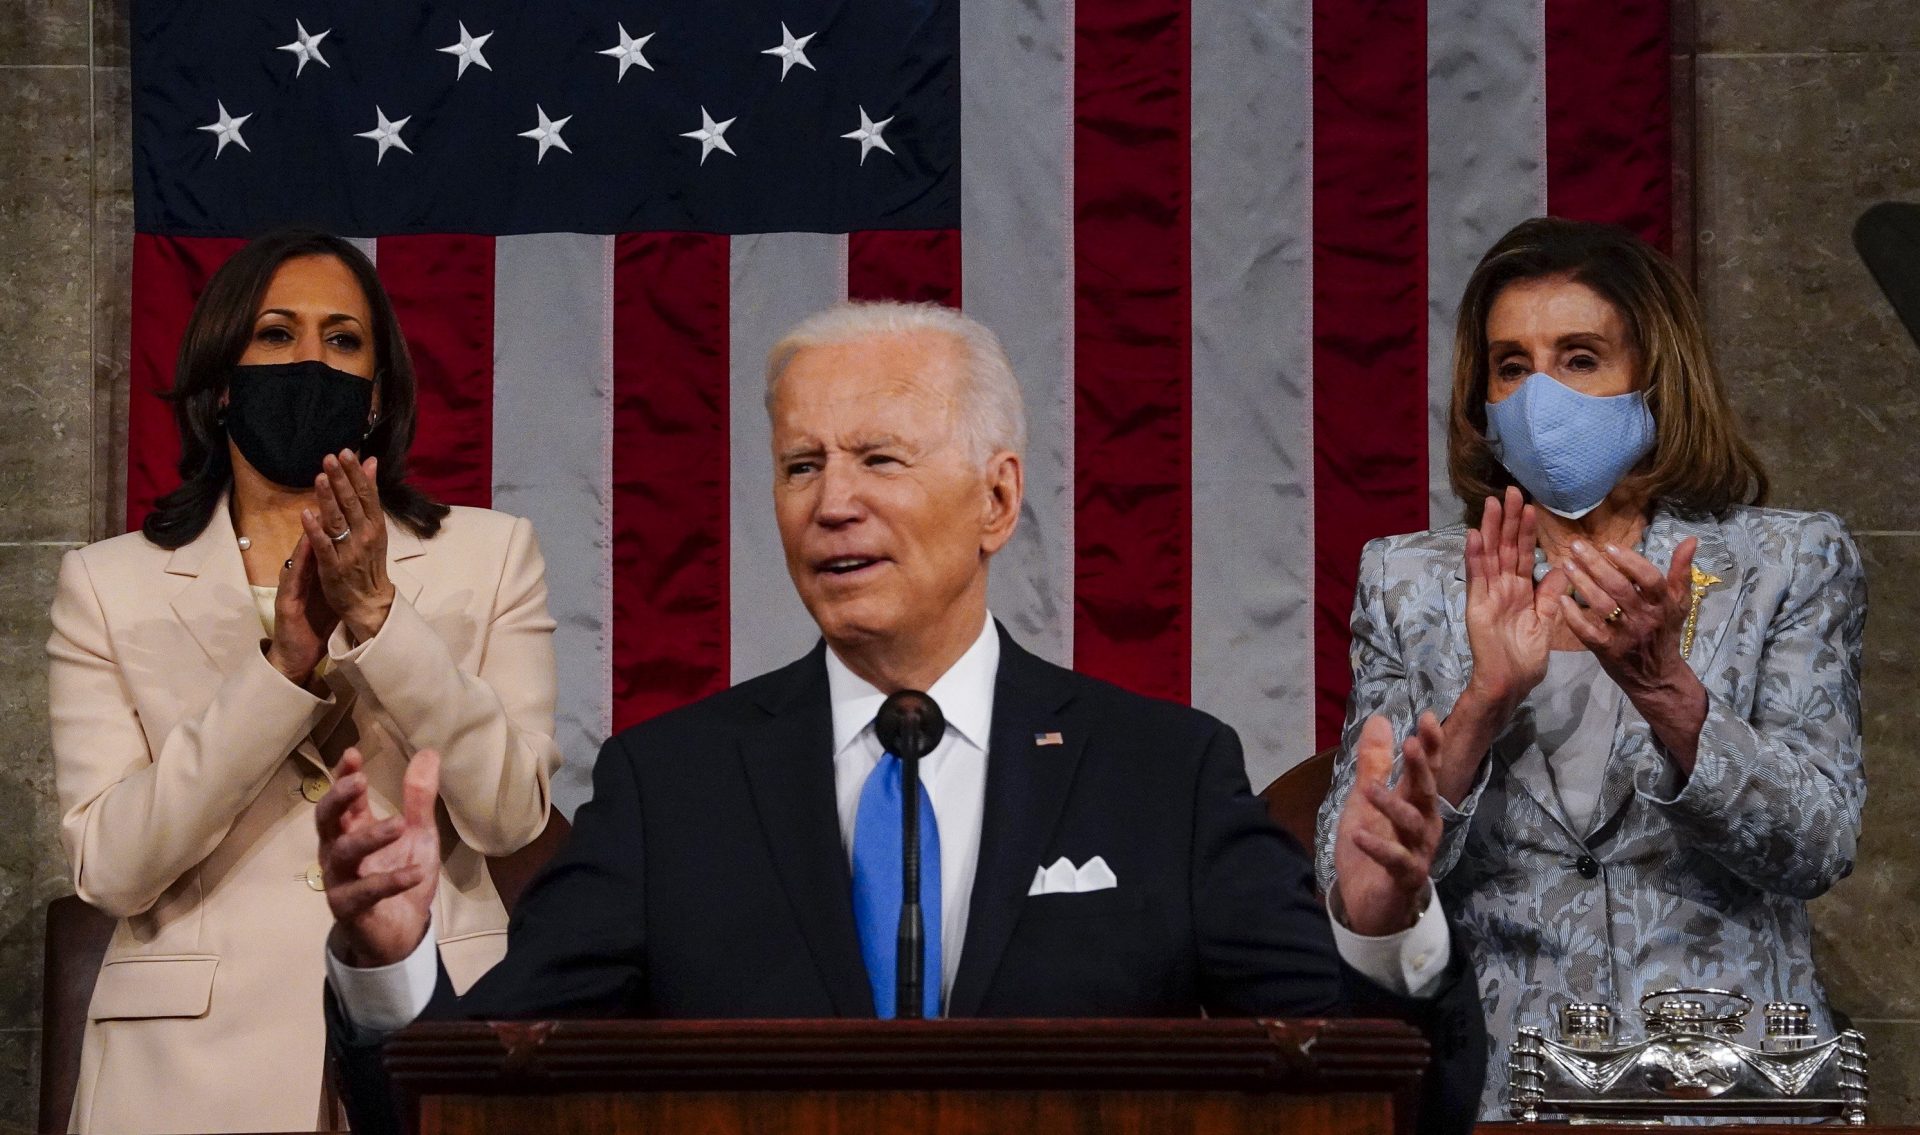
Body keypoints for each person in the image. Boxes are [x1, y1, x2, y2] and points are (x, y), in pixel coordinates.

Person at [319, 301, 1486, 1134]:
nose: (833, 503)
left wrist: (1383, 936)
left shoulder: (1163, 773)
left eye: (880, 456)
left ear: (996, 497)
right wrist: (391, 963)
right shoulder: (666, 790)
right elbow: (462, 1098)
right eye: (798, 466)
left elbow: (1382, 1100)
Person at [1313, 217, 1866, 1119]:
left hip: (1732, 1090)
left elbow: (1817, 842)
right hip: (1501, 1092)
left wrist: (1669, 694)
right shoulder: (1409, 581)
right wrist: (1481, 705)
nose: (1540, 396)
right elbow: (1353, 885)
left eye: (1579, 358)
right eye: (1511, 366)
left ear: (1656, 378)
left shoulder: (1790, 561)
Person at [47, 229, 562, 1134]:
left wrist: (378, 619)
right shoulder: (105, 584)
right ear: (220, 383)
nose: (310, 359)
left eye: (343, 339)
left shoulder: (492, 556)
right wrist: (282, 666)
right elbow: (113, 868)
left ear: (373, 397)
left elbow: (511, 814)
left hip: (428, 1034)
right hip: (187, 1077)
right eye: (277, 334)